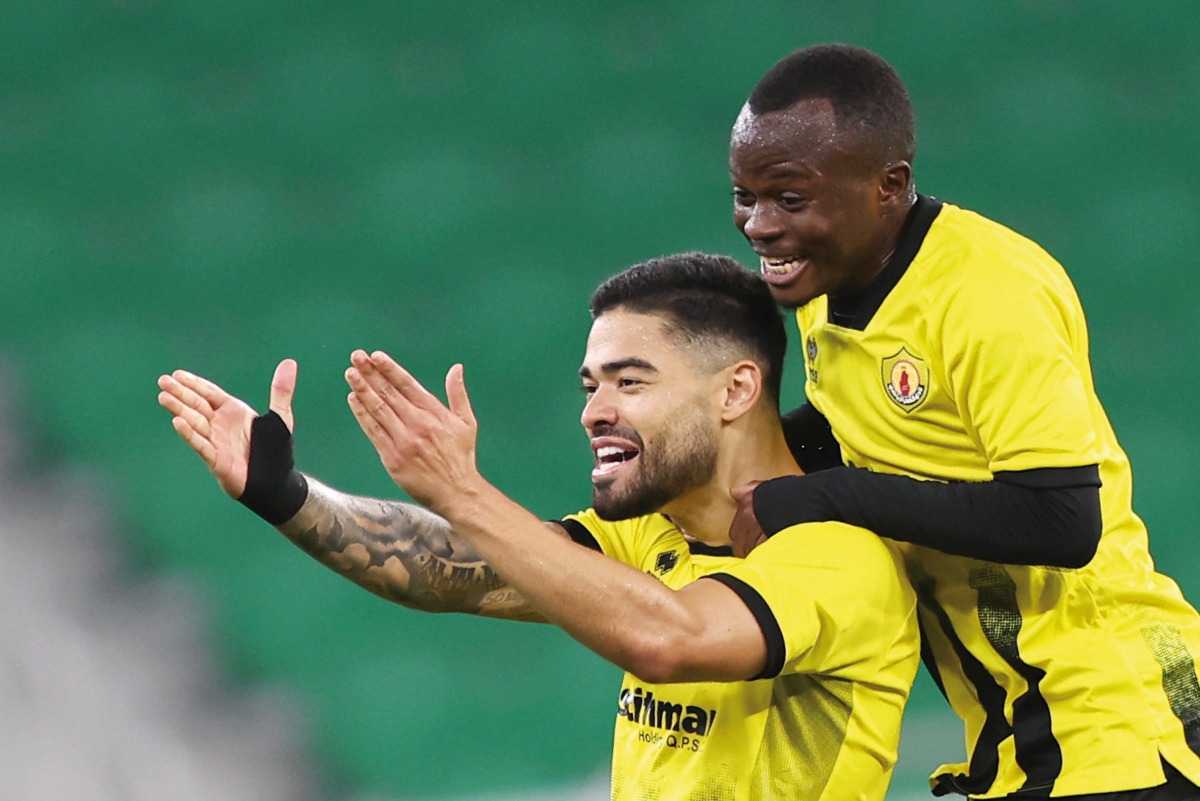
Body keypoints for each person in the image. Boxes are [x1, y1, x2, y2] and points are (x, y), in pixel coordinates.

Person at [157, 252, 920, 801]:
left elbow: (669, 640)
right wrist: (286, 493)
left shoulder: (837, 556)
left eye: (630, 380)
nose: (593, 410)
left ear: (737, 389)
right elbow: (449, 566)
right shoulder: (649, 534)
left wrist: (464, 489)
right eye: (590, 385)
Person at [725, 43, 1200, 799]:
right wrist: (706, 465)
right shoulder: (828, 284)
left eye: (788, 198)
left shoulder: (990, 293)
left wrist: (829, 495)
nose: (758, 225)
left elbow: (1062, 517)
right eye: (743, 196)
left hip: (1116, 720)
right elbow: (861, 423)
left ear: (889, 185)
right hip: (1020, 731)